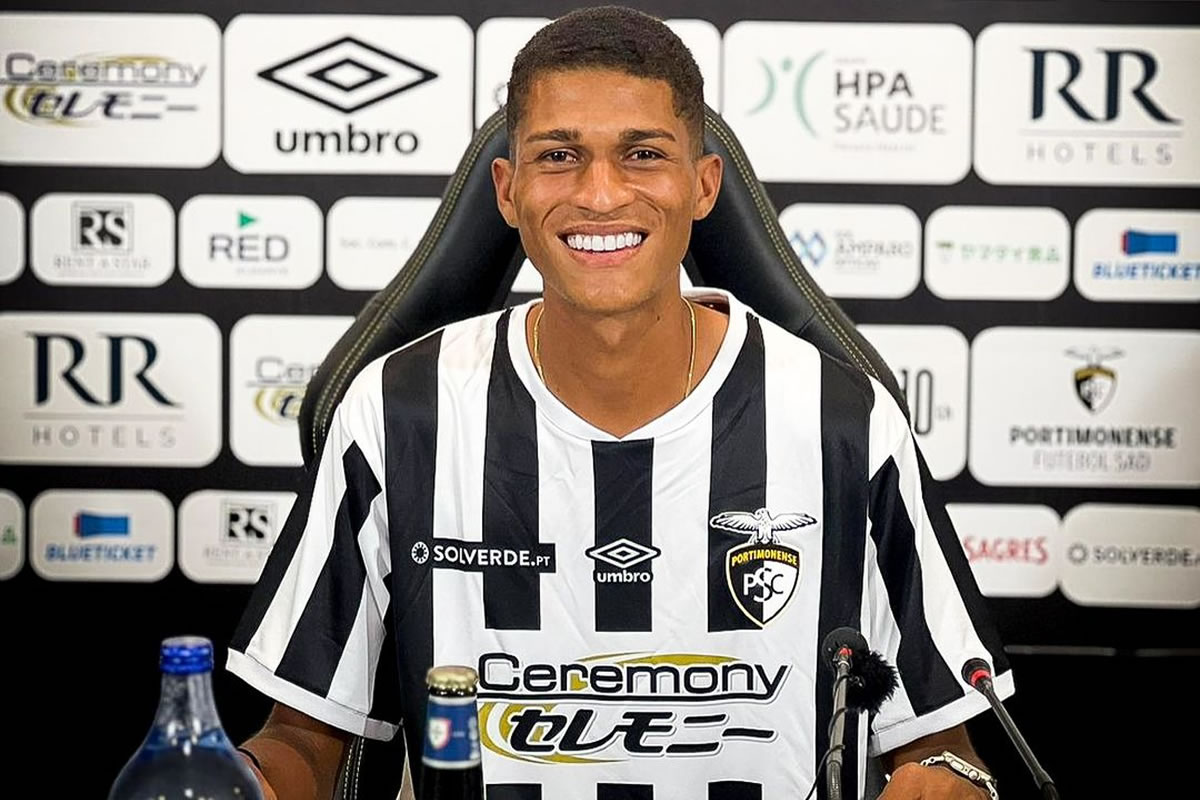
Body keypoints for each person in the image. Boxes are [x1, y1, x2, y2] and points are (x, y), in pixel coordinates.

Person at [227, 6, 1012, 799]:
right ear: (508, 190)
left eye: (642, 154)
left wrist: (945, 783)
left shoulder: (846, 423)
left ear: (702, 185)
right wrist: (238, 783)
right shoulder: (396, 413)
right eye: (559, 155)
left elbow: (944, 748)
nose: (601, 195)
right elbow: (302, 738)